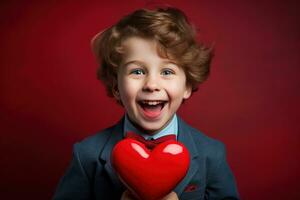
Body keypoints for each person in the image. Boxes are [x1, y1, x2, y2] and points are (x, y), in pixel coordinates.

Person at [53, 7, 240, 200]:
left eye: (167, 72)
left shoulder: (212, 154)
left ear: (187, 86)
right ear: (116, 86)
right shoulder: (86, 155)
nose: (151, 85)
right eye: (137, 71)